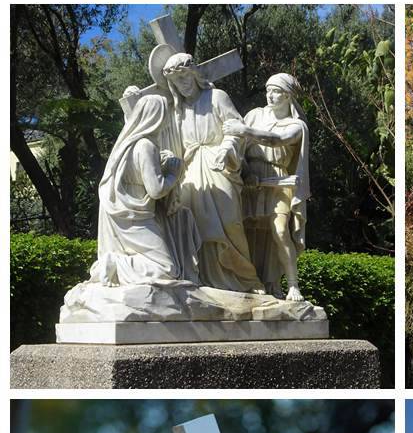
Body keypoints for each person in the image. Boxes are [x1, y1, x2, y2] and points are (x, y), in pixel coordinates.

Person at [161, 53, 265, 293]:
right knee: (195, 226)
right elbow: (164, 139)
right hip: (190, 173)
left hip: (220, 167)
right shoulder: (176, 111)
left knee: (230, 222)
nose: (182, 82)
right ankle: (205, 280)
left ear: (195, 73)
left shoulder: (217, 97)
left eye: (184, 75)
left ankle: (245, 279)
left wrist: (227, 148)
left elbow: (236, 129)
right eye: (176, 80)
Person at [92, 94, 197, 287]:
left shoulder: (126, 144)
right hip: (136, 216)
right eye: (165, 113)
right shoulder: (145, 145)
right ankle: (116, 263)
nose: (167, 119)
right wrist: (173, 173)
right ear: (156, 116)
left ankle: (116, 263)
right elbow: (156, 190)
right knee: (166, 268)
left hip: (123, 211)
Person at [225, 73, 310, 301]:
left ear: (288, 95)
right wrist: (247, 171)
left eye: (276, 91)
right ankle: (251, 281)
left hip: (278, 182)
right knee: (246, 232)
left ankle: (292, 285)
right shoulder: (254, 115)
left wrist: (246, 131)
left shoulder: (296, 125)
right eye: (268, 90)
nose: (270, 96)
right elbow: (238, 147)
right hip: (251, 181)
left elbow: (277, 139)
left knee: (280, 230)